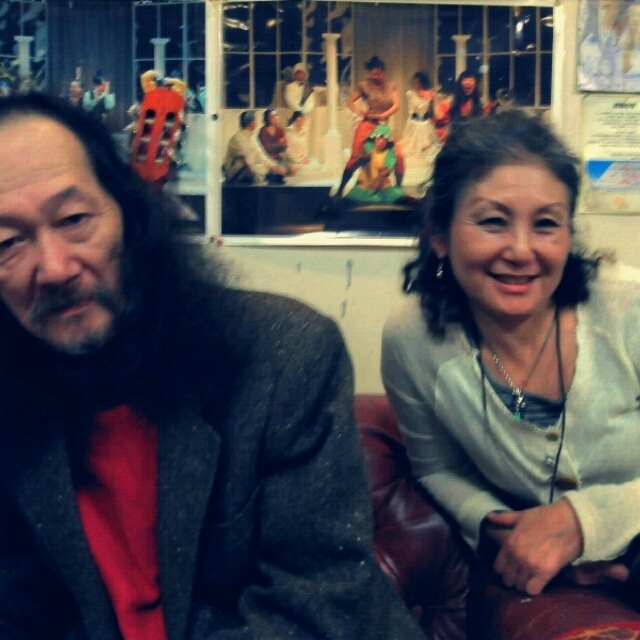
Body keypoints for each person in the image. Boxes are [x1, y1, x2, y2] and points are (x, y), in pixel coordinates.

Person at [0, 92, 423, 639]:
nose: (55, 267)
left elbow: (314, 607)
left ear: (129, 216)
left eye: (75, 219)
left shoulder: (285, 358)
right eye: (8, 242)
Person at [382, 110, 640, 607]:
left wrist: (584, 523)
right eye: (493, 222)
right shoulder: (412, 338)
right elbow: (437, 468)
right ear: (440, 234)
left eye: (546, 225)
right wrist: (505, 532)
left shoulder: (628, 306)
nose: (521, 250)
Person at [336, 56, 404, 197]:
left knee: (398, 156)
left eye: (378, 74)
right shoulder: (365, 85)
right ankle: (340, 190)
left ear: (383, 72)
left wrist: (383, 115)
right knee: (356, 158)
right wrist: (360, 111)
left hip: (383, 126)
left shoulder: (391, 86)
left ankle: (398, 189)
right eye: (373, 74)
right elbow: (350, 102)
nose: (375, 77)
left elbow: (397, 105)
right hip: (367, 124)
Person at [345, 123, 407, 204]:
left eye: (384, 139)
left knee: (398, 195)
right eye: (378, 138)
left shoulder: (390, 153)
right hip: (364, 188)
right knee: (366, 198)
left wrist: (385, 171)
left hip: (383, 189)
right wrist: (362, 159)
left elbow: (388, 166)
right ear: (375, 138)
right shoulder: (368, 149)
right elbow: (360, 161)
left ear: (387, 140)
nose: (381, 141)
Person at [223, 110, 287, 185]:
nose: (256, 123)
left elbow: (260, 155)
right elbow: (244, 161)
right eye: (254, 121)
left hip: (249, 169)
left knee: (268, 170)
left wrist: (275, 166)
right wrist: (255, 175)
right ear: (250, 123)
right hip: (237, 173)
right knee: (261, 176)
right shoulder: (238, 138)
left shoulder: (252, 137)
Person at [400, 71, 438, 158]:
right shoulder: (411, 94)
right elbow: (411, 109)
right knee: (411, 146)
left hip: (425, 122)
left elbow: (431, 111)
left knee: (428, 146)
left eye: (418, 82)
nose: (416, 84)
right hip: (414, 121)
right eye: (415, 82)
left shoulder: (429, 94)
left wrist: (431, 100)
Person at [258, 108, 297, 178]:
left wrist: (277, 145)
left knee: (293, 169)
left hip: (280, 158)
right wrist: (279, 144)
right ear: (267, 119)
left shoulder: (280, 130)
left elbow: (285, 146)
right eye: (272, 117)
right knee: (282, 171)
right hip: (268, 159)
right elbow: (266, 149)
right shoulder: (263, 131)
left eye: (276, 115)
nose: (276, 118)